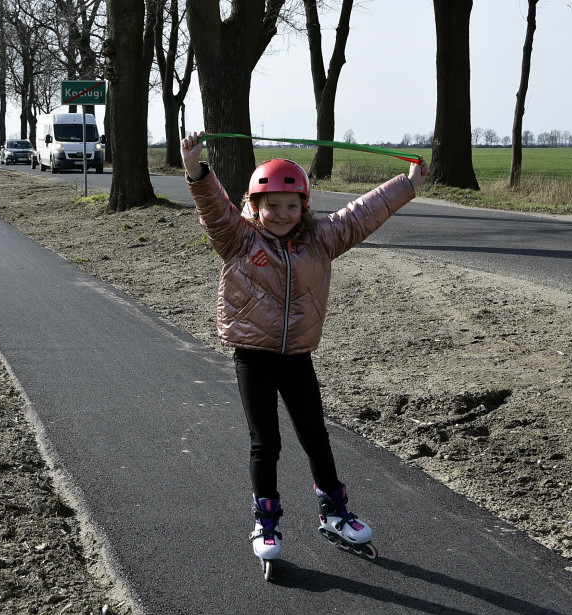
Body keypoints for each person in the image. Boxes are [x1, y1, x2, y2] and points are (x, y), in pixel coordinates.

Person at [180, 132, 429, 576]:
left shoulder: (321, 239)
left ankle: (334, 511)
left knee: (316, 436)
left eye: (291, 206)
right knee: (266, 442)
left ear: (305, 207)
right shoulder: (238, 239)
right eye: (271, 206)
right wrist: (196, 167)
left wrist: (407, 183)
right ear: (254, 206)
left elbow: (363, 214)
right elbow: (212, 208)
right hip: (253, 356)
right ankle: (267, 523)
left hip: (297, 356)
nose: (281, 214)